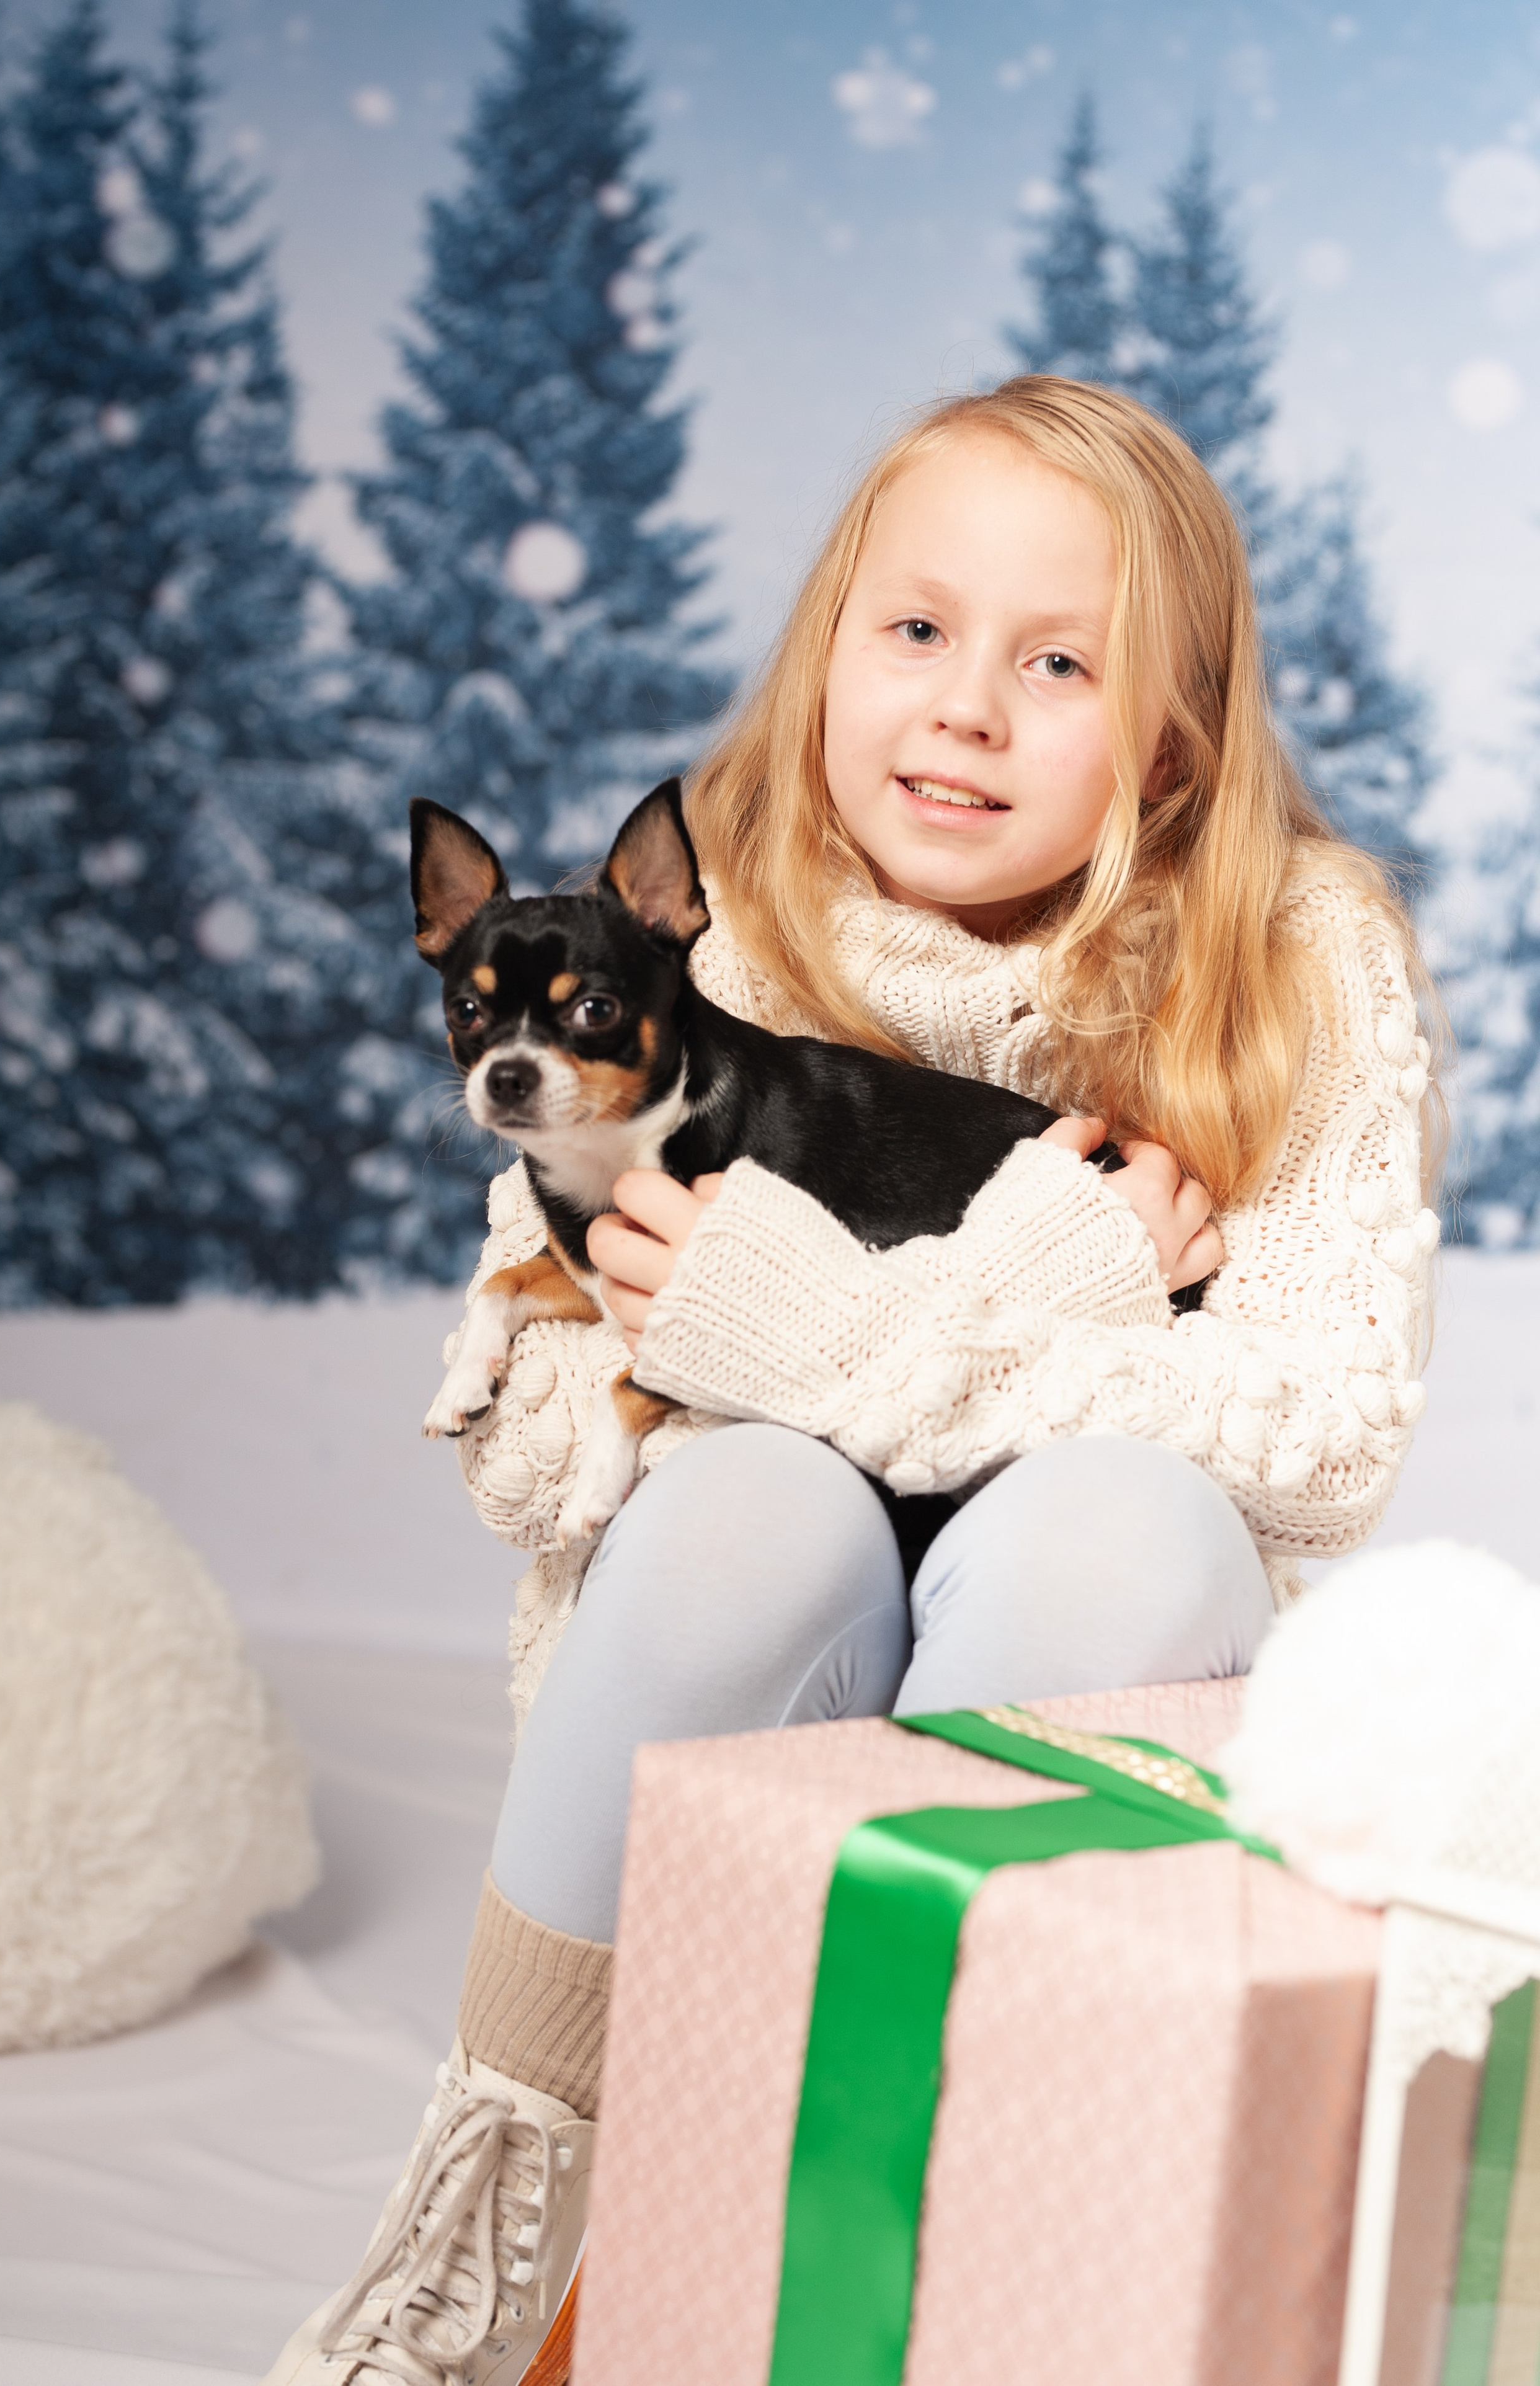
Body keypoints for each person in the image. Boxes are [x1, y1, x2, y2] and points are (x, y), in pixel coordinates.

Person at [265, 376, 1436, 2384]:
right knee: (747, 1505)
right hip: (742, 1675)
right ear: (830, 651)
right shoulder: (692, 933)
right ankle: (524, 2243)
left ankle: (933, 2263)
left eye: (1055, 661)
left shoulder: (1285, 952)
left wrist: (842, 1332)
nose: (966, 707)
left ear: (1166, 738)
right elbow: (548, 1466)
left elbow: (1318, 1445)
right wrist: (1053, 1270)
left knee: (1122, 1521)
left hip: (1065, 1662)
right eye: (917, 632)